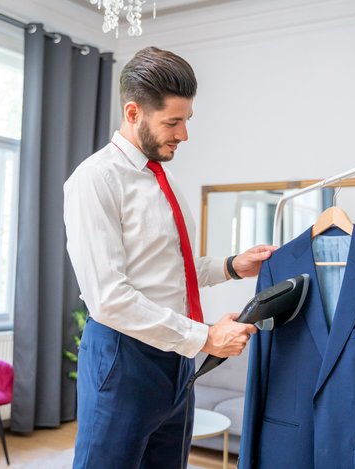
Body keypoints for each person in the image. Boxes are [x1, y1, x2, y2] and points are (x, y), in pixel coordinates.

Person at [63, 46, 275, 469]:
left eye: (186, 121)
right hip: (123, 358)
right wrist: (205, 338)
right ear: (134, 112)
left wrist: (234, 265)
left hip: (175, 359)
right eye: (172, 122)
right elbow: (109, 296)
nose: (183, 135)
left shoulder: (167, 180)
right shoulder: (94, 180)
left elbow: (175, 271)